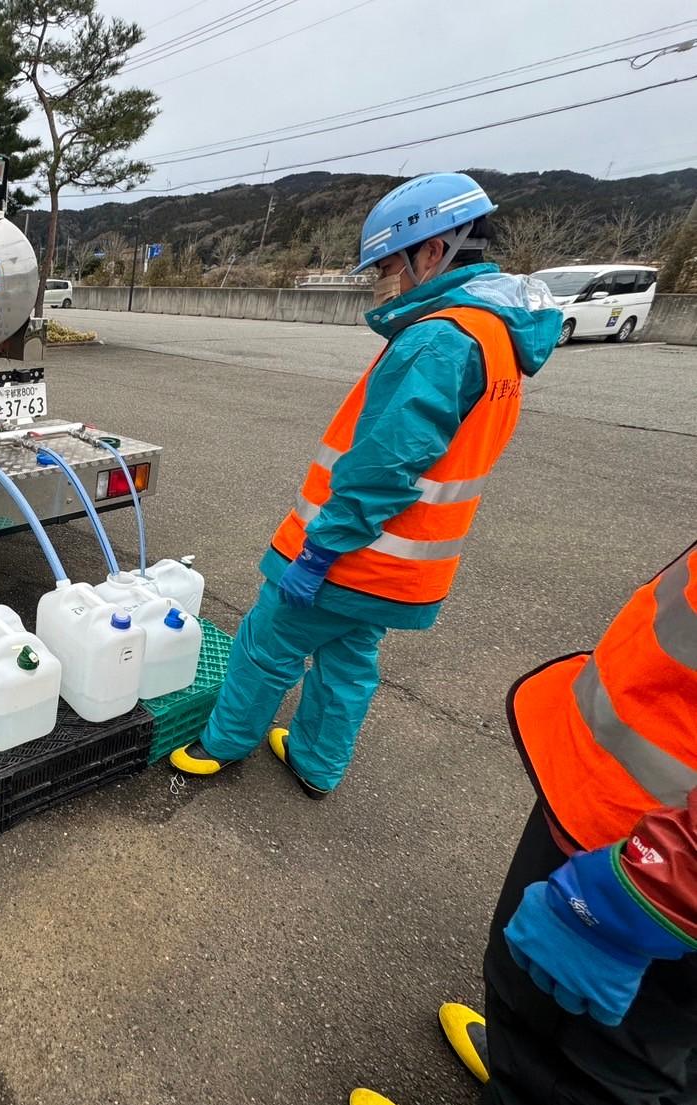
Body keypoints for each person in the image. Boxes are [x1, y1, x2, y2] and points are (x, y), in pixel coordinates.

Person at [170, 172, 561, 794]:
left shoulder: (438, 338)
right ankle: (315, 761)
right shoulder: (498, 335)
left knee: (266, 647)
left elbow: (384, 468)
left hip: (352, 556)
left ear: (434, 251)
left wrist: (320, 550)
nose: (388, 281)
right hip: (404, 566)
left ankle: (221, 745)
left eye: (390, 265)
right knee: (348, 661)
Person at [352, 542, 697, 1105]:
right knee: (583, 1020)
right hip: (634, 812)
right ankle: (520, 1063)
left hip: (649, 861)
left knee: (596, 1066)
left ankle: (534, 1077)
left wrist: (658, 886)